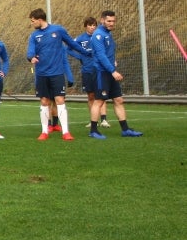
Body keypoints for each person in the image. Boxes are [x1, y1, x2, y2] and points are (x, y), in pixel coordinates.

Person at [26, 8, 88, 141]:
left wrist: (86, 52)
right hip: (42, 74)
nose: (32, 24)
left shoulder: (58, 30)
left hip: (57, 73)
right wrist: (31, 57)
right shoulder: (34, 36)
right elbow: (30, 52)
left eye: (33, 21)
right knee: (44, 101)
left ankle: (66, 132)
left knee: (60, 100)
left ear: (39, 20)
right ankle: (44, 131)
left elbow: (72, 43)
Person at [88, 10, 143, 139]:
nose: (112, 23)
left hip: (110, 70)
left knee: (118, 100)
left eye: (113, 21)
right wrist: (112, 71)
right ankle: (93, 131)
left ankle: (125, 130)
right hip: (102, 72)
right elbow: (101, 56)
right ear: (102, 20)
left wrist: (113, 61)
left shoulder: (108, 34)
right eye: (109, 21)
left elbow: (108, 52)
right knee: (99, 101)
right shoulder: (98, 35)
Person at [69, 16, 110, 129]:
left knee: (101, 95)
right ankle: (94, 120)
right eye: (90, 25)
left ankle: (104, 119)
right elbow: (68, 48)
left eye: (94, 25)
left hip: (100, 70)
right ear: (85, 26)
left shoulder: (99, 37)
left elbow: (107, 50)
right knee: (91, 96)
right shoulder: (80, 38)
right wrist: (79, 57)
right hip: (87, 70)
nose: (92, 27)